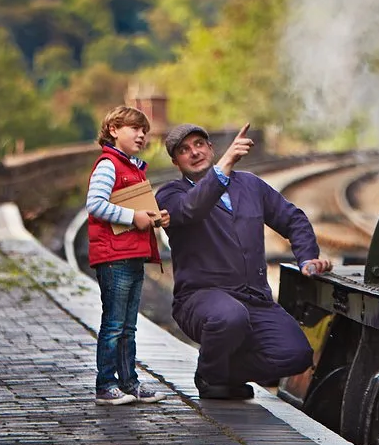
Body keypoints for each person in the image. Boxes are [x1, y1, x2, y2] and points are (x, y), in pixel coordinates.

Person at [156, 122, 333, 400]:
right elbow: (191, 209)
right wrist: (225, 165)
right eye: (184, 150)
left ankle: (223, 373)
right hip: (201, 298)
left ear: (210, 147)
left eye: (199, 144)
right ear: (176, 162)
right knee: (230, 316)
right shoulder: (170, 195)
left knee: (296, 355)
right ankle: (209, 374)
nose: (194, 152)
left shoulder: (250, 185)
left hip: (254, 298)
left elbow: (293, 219)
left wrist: (307, 257)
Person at [85, 105, 172, 406]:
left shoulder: (133, 167)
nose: (141, 135)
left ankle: (128, 381)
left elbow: (134, 209)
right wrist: (133, 217)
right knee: (114, 324)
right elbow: (95, 204)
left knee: (128, 326)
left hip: (131, 254)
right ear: (113, 130)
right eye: (134, 129)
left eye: (144, 131)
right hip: (114, 257)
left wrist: (154, 217)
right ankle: (105, 384)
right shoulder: (108, 165)